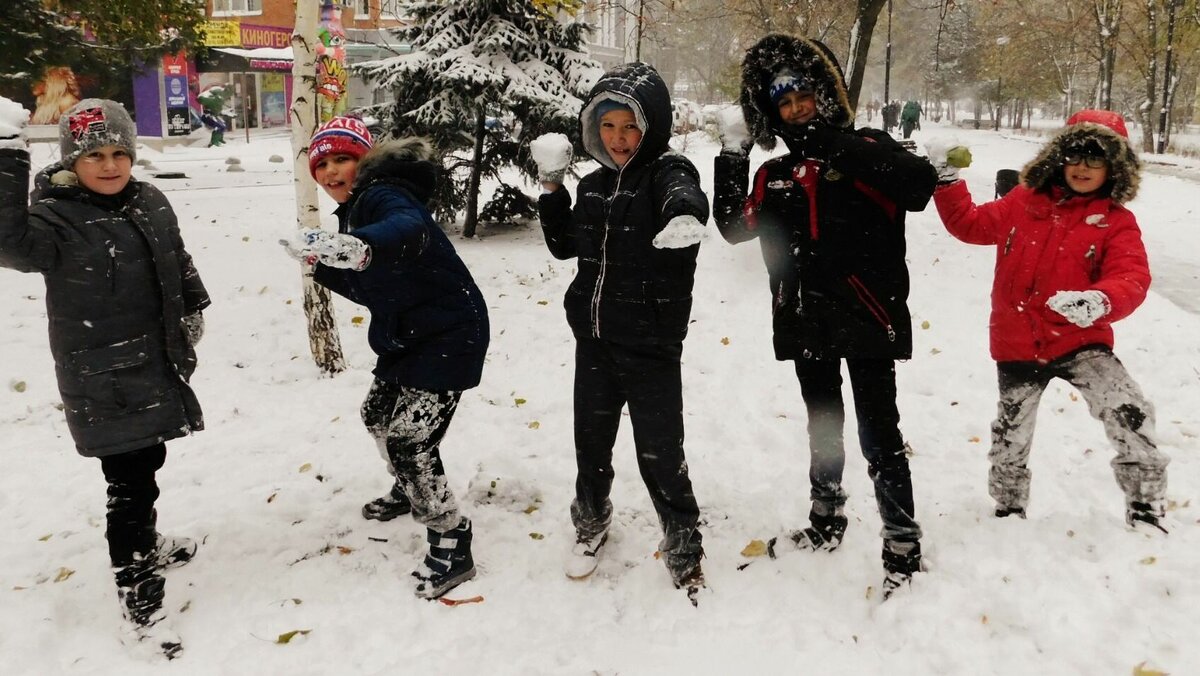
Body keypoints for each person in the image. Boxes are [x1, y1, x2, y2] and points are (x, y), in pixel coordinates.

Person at [711, 34, 938, 598]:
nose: (795, 110)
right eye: (782, 103)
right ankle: (826, 518)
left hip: (866, 318)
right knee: (824, 426)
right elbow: (735, 228)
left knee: (879, 433)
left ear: (824, 94)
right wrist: (733, 156)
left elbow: (917, 186)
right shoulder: (776, 175)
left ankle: (902, 544)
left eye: (803, 96)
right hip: (805, 321)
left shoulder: (866, 148)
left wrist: (832, 143)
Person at [0, 97, 209, 658]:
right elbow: (7, 244)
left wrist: (193, 303)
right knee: (130, 484)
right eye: (95, 155)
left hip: (154, 361)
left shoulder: (150, 200)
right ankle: (139, 595)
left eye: (120, 152)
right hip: (103, 373)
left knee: (149, 462)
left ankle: (150, 547)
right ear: (72, 159)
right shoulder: (53, 218)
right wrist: (5, 159)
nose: (111, 165)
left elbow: (176, 255)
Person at [928, 109, 1169, 531]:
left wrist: (1099, 300)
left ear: (1115, 168)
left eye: (1096, 159)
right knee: (1011, 432)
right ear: (1059, 156)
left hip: (1081, 340)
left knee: (1128, 408)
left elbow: (1132, 276)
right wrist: (947, 181)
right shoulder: (1024, 201)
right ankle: (1008, 506)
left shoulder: (1116, 222)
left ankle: (1146, 505)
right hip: (1018, 341)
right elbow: (971, 225)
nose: (1083, 167)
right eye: (1076, 155)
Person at [282, 117, 489, 599]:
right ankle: (408, 487)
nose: (332, 172)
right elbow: (373, 285)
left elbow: (408, 229)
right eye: (322, 164)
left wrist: (357, 248)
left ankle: (450, 537)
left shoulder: (384, 197)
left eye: (343, 159)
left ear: (365, 160)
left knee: (409, 442)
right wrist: (324, 267)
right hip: (409, 336)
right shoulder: (355, 212)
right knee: (376, 415)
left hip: (449, 335)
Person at [529, 62, 710, 599]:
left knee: (659, 450)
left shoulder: (667, 172)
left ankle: (682, 539)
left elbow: (687, 194)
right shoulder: (594, 187)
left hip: (651, 343)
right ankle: (590, 522)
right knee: (591, 443)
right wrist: (550, 187)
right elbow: (564, 245)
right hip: (594, 340)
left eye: (630, 126)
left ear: (650, 126)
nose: (619, 139)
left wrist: (683, 217)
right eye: (607, 127)